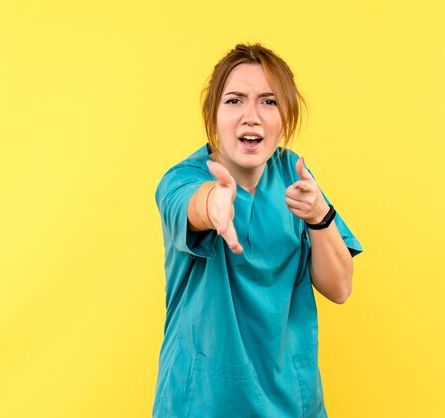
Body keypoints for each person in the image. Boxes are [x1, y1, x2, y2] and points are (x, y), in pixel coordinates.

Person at [153, 43, 363, 418]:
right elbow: (194, 204)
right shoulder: (181, 179)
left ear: (286, 116)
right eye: (234, 101)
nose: (251, 116)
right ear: (213, 114)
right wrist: (214, 205)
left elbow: (340, 287)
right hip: (202, 402)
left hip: (290, 402)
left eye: (268, 102)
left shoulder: (294, 176)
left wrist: (319, 216)